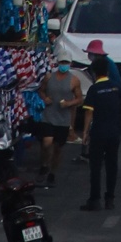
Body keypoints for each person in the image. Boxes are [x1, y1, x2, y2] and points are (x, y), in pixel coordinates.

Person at [77, 42, 121, 212]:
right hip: (114, 132)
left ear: (95, 72)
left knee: (95, 168)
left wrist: (84, 134)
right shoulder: (116, 87)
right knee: (112, 166)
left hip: (98, 133)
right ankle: (110, 199)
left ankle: (94, 200)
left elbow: (89, 114)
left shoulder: (94, 90)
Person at [36, 58, 82, 190]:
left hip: (63, 119)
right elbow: (41, 90)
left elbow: (79, 99)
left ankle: (52, 173)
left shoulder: (74, 80)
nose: (64, 65)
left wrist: (68, 103)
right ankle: (44, 165)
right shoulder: (49, 77)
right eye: (62, 63)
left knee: (58, 148)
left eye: (66, 63)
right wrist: (45, 99)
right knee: (46, 142)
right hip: (48, 116)